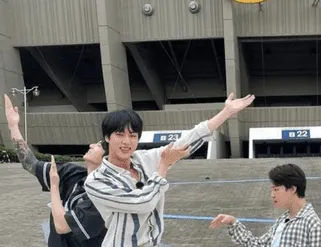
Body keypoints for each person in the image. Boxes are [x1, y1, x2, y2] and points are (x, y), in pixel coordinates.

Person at [84, 92, 256, 247]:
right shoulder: (96, 181)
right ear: (107, 137)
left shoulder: (142, 159)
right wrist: (163, 167)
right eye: (120, 135)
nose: (127, 141)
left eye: (132, 135)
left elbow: (184, 142)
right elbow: (143, 202)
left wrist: (226, 113)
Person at [4, 94, 108, 247]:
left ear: (107, 158)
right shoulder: (71, 173)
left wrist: (54, 186)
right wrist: (13, 126)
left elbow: (62, 227)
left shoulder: (105, 194)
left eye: (99, 146)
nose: (92, 145)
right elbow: (29, 163)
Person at [210, 163, 321, 247]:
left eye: (276, 189)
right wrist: (233, 222)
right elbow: (259, 245)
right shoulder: (283, 220)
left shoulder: (313, 225)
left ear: (292, 189)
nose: (272, 194)